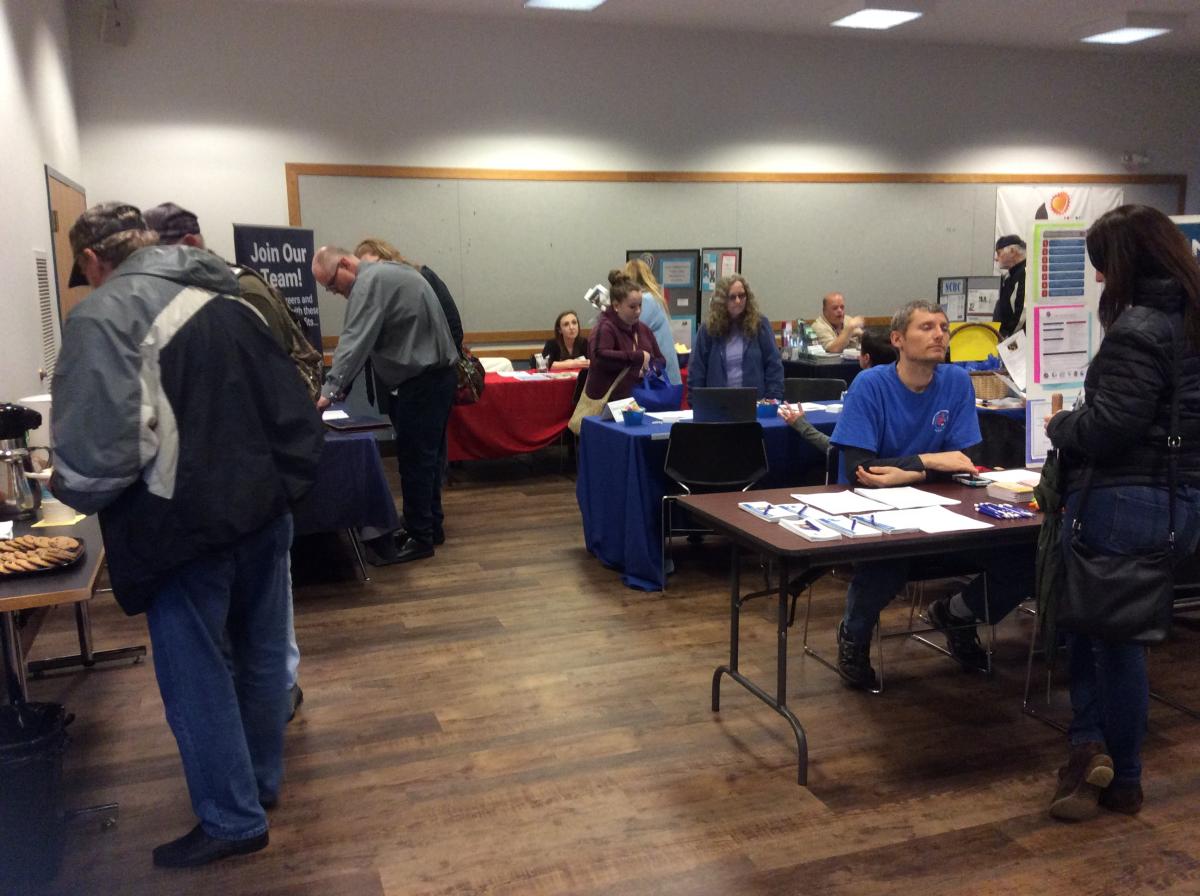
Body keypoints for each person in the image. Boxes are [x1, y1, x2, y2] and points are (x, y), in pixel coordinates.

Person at [52, 202, 324, 867]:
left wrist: (66, 490)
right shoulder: (232, 297)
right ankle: (258, 785)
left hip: (181, 523)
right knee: (262, 654)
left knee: (197, 670)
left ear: (92, 260)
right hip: (265, 506)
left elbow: (97, 456)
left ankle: (232, 819)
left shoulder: (103, 314)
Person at [1043, 205, 1200, 821]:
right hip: (1180, 499)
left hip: (1124, 500)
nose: (1101, 280)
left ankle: (1118, 768)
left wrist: (1061, 424)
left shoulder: (1139, 328)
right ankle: (1090, 751)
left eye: (1104, 267)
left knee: (1112, 640)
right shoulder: (1190, 321)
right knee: (1102, 628)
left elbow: (1110, 428)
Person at [144, 201, 314, 720]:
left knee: (267, 617)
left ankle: (276, 698)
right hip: (211, 473)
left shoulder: (241, 289)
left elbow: (277, 375)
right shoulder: (178, 295)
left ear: (189, 245)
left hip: (253, 468)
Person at [828, 300, 1034, 690]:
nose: (940, 333)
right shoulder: (870, 385)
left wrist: (909, 469)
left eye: (943, 326)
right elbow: (860, 468)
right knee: (887, 559)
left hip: (945, 508)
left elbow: (964, 460)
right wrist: (928, 461)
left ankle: (958, 613)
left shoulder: (956, 381)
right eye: (926, 327)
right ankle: (853, 635)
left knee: (1024, 555)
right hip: (877, 510)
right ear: (898, 340)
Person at [314, 247, 458, 562]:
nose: (334, 292)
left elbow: (353, 342)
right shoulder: (395, 271)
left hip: (421, 382)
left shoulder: (369, 283)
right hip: (438, 378)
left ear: (344, 263)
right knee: (429, 460)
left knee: (414, 462)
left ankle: (420, 539)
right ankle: (430, 526)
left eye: (331, 284)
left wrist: (327, 394)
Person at [779, 327, 897, 453]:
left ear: (866, 358)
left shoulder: (863, 388)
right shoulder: (901, 386)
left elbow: (838, 450)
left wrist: (801, 424)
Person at [688, 274, 784, 404]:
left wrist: (773, 398)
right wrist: (696, 403)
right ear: (722, 301)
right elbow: (697, 370)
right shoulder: (708, 329)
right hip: (718, 404)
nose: (738, 301)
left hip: (754, 403)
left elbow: (774, 364)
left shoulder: (760, 325)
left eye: (742, 296)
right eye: (732, 297)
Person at [354, 238, 463, 351]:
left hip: (439, 363)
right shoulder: (372, 300)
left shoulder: (423, 277)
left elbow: (453, 324)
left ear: (388, 258)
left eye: (375, 266)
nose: (374, 273)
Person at [585, 271, 664, 402]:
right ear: (616, 306)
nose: (638, 311)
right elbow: (600, 357)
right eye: (632, 307)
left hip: (639, 399)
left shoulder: (644, 329)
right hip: (608, 403)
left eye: (640, 305)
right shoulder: (604, 328)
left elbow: (660, 360)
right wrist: (638, 357)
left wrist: (649, 371)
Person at [621, 258, 681, 385]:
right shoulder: (655, 298)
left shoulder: (646, 301)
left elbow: (627, 328)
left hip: (660, 381)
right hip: (664, 377)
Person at [992, 235, 1028, 338]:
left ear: (1012, 251)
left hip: (1017, 341)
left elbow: (1022, 312)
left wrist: (1009, 337)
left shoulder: (1026, 273)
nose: (996, 258)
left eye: (999, 253)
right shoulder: (1008, 276)